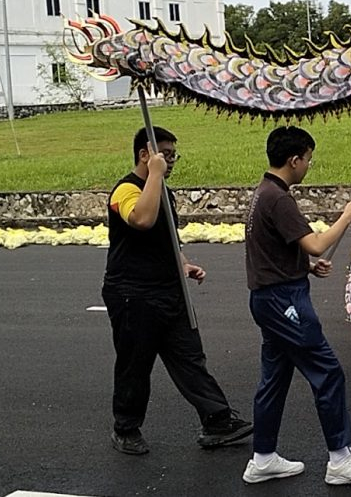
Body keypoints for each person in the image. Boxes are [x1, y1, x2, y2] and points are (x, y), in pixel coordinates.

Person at [242, 126, 351, 486]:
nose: (309, 165)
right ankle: (340, 458)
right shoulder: (278, 198)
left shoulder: (263, 193)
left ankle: (262, 457)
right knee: (328, 371)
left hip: (269, 297)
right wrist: (347, 217)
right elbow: (318, 243)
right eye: (307, 159)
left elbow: (272, 248)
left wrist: (303, 266)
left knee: (274, 379)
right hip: (284, 301)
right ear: (294, 160)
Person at [103, 126, 251, 455]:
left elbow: (168, 238)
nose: (171, 161)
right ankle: (125, 428)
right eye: (165, 154)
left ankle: (217, 420)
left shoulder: (164, 192)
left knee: (190, 357)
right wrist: (155, 174)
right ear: (145, 154)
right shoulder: (124, 191)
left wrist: (183, 263)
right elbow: (141, 220)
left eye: (173, 155)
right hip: (133, 293)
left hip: (169, 289)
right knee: (135, 364)